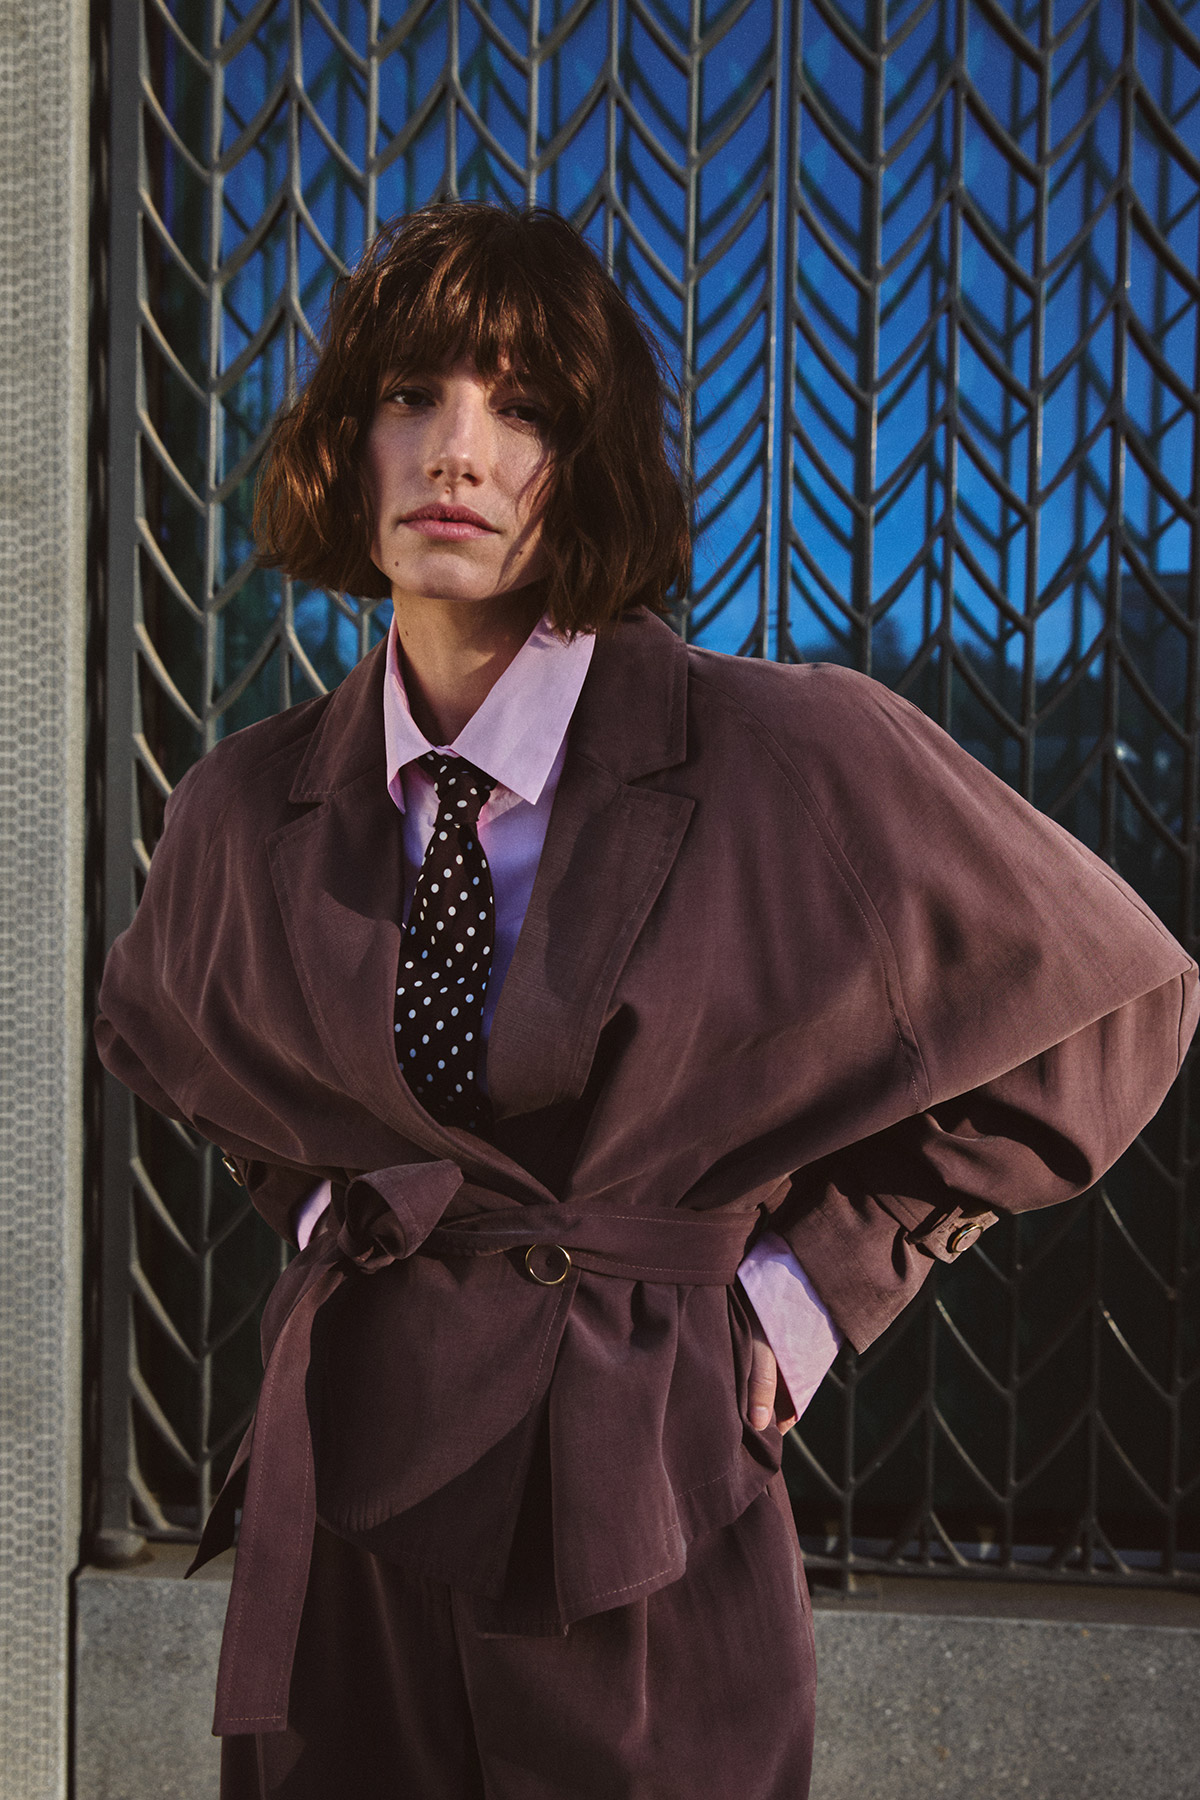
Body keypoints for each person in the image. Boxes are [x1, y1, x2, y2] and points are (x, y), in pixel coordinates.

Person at [96, 203, 1198, 1800]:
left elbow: (1116, 1007)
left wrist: (813, 1287)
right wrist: (341, 1205)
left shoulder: (786, 754)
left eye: (524, 406)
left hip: (643, 1507)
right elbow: (167, 1042)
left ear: (591, 462)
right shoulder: (243, 799)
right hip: (348, 1514)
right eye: (413, 394)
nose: (459, 450)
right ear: (349, 441)